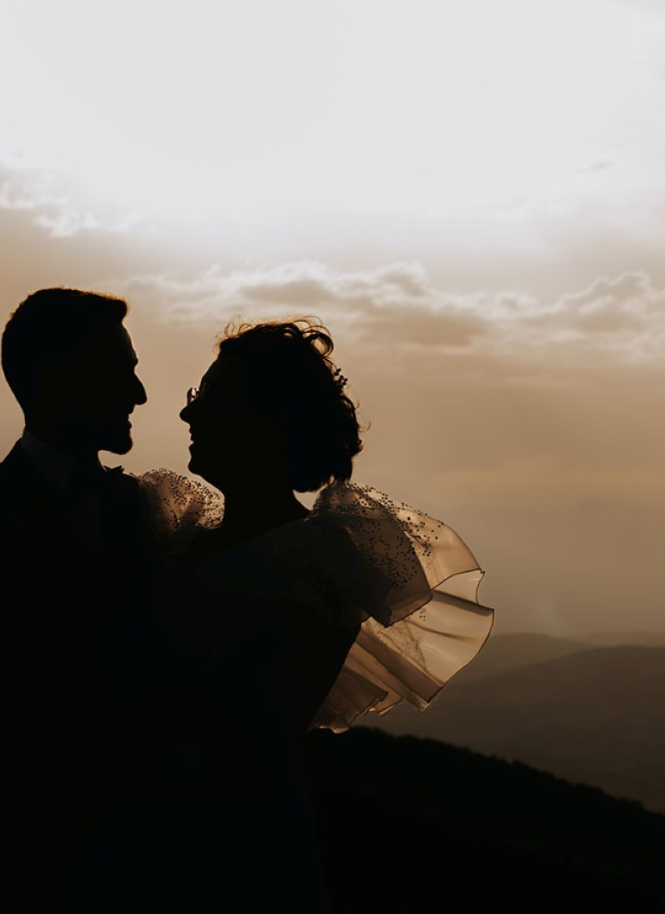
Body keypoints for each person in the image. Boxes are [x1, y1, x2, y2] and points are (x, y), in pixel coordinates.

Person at [131, 318, 495, 911]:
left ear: (267, 420)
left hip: (231, 847)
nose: (187, 413)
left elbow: (232, 720)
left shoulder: (314, 563)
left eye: (211, 398)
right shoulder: (187, 534)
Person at [0, 287, 151, 911]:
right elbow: (12, 695)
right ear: (60, 376)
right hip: (11, 856)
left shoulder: (149, 512)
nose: (139, 394)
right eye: (121, 371)